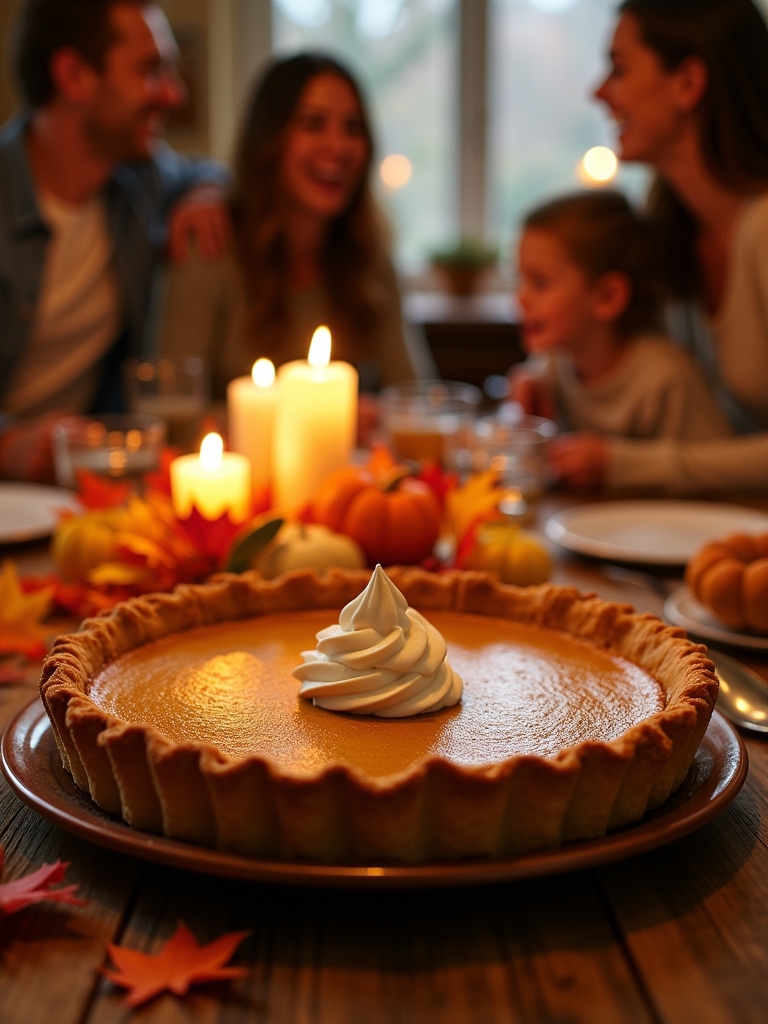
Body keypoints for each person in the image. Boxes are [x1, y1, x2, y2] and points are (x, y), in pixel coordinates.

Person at [0, 0, 230, 482]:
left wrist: (206, 191)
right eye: (151, 71)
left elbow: (210, 172)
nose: (174, 94)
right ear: (73, 76)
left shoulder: (139, 182)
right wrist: (7, 445)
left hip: (88, 485)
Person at [553, 0, 768, 493]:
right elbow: (627, 355)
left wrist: (629, 465)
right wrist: (547, 378)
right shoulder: (670, 225)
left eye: (619, 68)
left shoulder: (762, 229)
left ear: (688, 83)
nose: (598, 92)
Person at [158, 52, 433, 406]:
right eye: (313, 124)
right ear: (269, 141)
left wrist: (372, 416)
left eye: (352, 128)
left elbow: (415, 399)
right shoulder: (210, 247)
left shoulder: (368, 257)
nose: (338, 146)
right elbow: (172, 407)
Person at [510, 190, 730, 446]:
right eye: (519, 279)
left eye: (540, 282)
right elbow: (539, 368)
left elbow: (714, 463)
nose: (520, 299)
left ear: (608, 297)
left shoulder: (667, 380)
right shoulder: (558, 362)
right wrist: (527, 377)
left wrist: (614, 462)